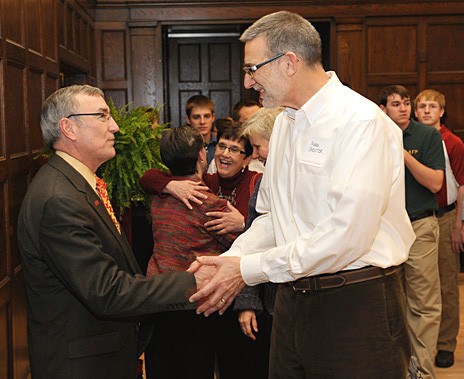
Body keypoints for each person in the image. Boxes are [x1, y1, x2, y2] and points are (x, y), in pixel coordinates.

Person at [188, 11, 415, 379]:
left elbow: (347, 238)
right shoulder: (286, 125)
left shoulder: (360, 122)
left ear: (289, 63)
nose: (247, 81)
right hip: (292, 300)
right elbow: (273, 217)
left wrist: (248, 269)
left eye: (253, 69)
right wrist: (231, 261)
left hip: (355, 303)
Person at [17, 85, 200, 379]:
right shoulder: (59, 199)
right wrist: (195, 283)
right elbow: (107, 291)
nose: (115, 126)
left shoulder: (75, 185)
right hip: (81, 366)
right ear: (69, 128)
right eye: (102, 116)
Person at [143, 126, 238, 379]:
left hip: (158, 295)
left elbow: (149, 178)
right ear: (201, 156)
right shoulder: (209, 203)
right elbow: (240, 247)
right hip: (194, 302)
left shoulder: (158, 196)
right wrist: (243, 223)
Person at [379, 85, 445, 379]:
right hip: (385, 229)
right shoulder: (372, 134)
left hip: (420, 225)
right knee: (391, 301)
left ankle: (422, 372)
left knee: (423, 303)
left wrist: (402, 153)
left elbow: (435, 183)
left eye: (406, 102)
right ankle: (397, 368)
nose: (404, 107)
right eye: (396, 103)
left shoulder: (427, 135)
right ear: (383, 110)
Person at [414, 89, 464, 368]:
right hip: (417, 219)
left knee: (446, 285)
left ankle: (445, 344)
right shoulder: (409, 138)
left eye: (432, 106)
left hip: (445, 217)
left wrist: (459, 223)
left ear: (442, 112)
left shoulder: (452, 142)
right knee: (421, 287)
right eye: (421, 107)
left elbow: (463, 184)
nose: (427, 111)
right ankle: (422, 344)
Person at [232, 106, 283, 379]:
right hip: (269, 303)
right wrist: (247, 302)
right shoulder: (263, 182)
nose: (254, 155)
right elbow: (252, 240)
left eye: (257, 146)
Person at [140, 122, 261, 232]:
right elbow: (147, 179)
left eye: (234, 150)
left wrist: (244, 223)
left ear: (247, 160)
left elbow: (270, 227)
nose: (225, 154)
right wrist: (170, 185)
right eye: (222, 146)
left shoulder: (257, 183)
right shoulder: (205, 181)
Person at [185, 94, 217, 166]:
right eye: (196, 117)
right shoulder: (182, 148)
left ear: (213, 117)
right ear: (188, 119)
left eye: (206, 116)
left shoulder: (221, 146)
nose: (202, 122)